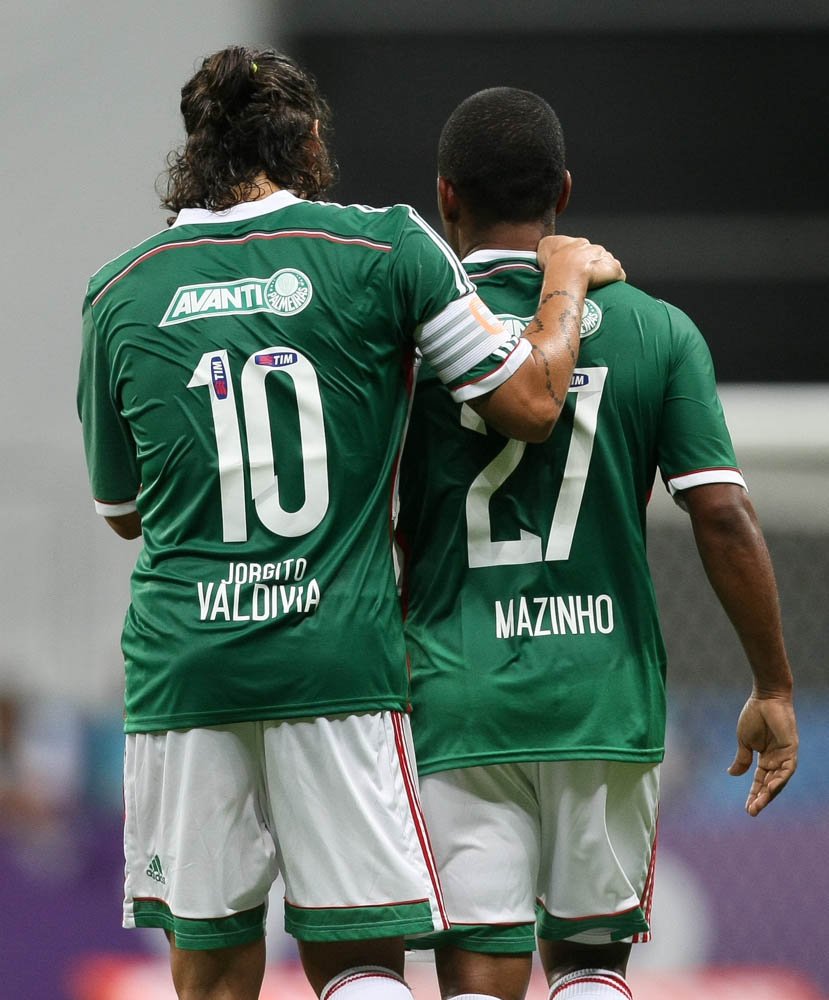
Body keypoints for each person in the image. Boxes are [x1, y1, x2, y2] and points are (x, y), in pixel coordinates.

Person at [76, 49, 623, 1000]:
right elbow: (532, 404)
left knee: (209, 970)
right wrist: (564, 280)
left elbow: (123, 513)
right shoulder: (382, 248)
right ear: (311, 142)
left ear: (193, 151)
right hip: (337, 657)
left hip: (184, 669)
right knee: (363, 960)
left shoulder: (118, 290)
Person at [397, 87, 798, 1000]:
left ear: (445, 197)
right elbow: (723, 515)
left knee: (477, 971)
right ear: (564, 194)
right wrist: (771, 682)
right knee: (588, 967)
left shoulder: (414, 342)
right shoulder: (658, 331)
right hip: (602, 699)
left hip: (457, 693)